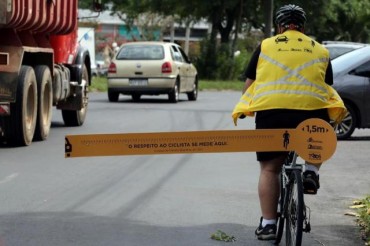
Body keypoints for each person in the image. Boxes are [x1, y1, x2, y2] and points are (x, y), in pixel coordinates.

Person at [232, 4, 346, 241]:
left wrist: (246, 109)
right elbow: (326, 86)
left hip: (273, 114)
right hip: (311, 114)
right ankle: (312, 171)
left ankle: (268, 224)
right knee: (321, 133)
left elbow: (250, 84)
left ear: (279, 27)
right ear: (303, 28)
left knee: (270, 168)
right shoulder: (321, 50)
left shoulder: (266, 46)